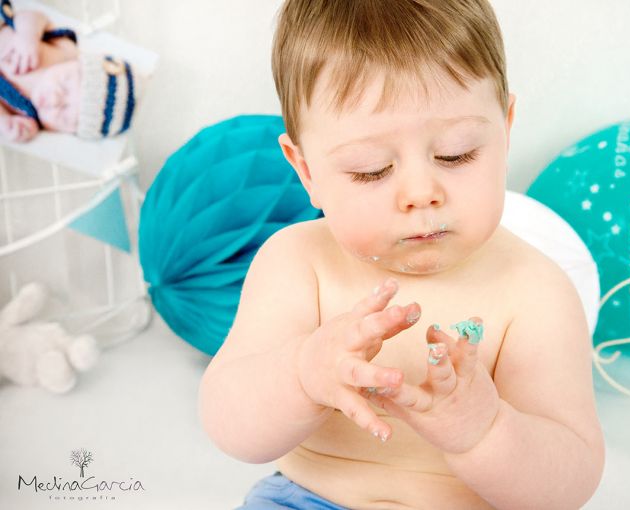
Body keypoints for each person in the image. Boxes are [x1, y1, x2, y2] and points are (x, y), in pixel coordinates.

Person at [198, 0, 605, 508]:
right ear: (306, 171)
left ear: (505, 129)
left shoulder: (535, 292)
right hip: (307, 497)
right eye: (371, 169)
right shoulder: (299, 264)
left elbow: (570, 481)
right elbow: (229, 425)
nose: (420, 193)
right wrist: (302, 374)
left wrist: (486, 432)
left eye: (456, 154)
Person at [0, 0, 136, 143]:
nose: (54, 101)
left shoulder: (32, 120)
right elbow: (33, 16)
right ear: (77, 62)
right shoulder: (65, 51)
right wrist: (28, 37)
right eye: (64, 87)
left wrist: (6, 122)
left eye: (63, 118)